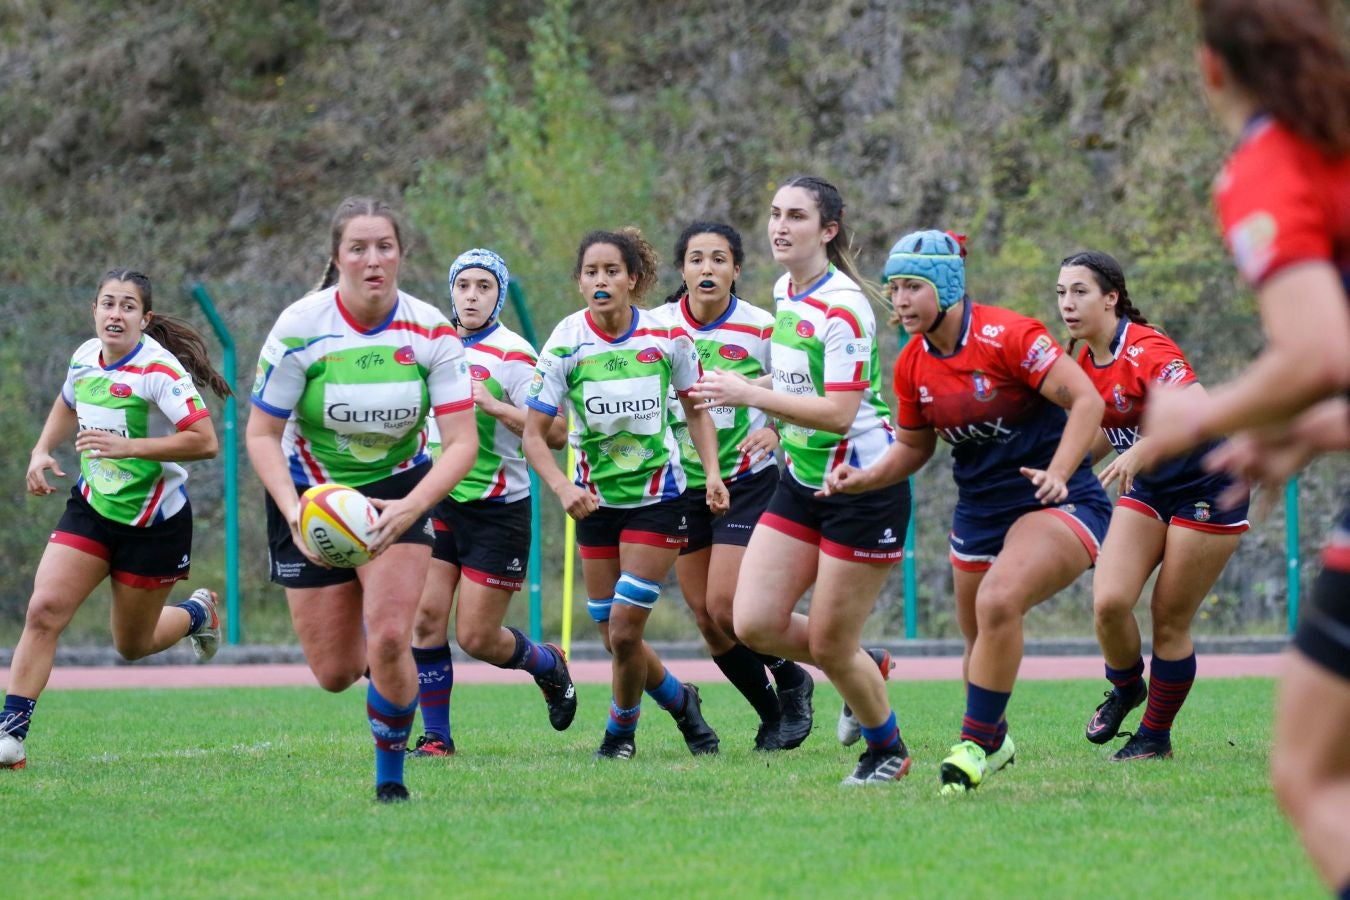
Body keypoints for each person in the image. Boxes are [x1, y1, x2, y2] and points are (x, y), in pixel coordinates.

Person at [1136, 1, 1350, 892]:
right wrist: (1315, 431)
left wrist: (1200, 414)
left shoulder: (1270, 164)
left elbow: (1320, 352)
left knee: (1311, 774)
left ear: (1212, 67)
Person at [821, 229, 1112, 794]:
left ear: (947, 286)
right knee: (979, 635)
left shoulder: (1010, 335)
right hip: (979, 511)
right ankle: (994, 740)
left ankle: (974, 745)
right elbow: (913, 448)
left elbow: (1087, 400)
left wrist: (1058, 470)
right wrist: (865, 477)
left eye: (913, 287)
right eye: (894, 288)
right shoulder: (912, 363)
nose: (900, 300)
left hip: (1058, 498)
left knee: (999, 600)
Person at [245, 196, 478, 802]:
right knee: (334, 671)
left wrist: (412, 508)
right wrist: (296, 512)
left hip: (399, 490)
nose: (373, 260)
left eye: (384, 247)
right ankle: (389, 679)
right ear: (337, 257)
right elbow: (262, 434)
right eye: (358, 248)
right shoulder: (300, 326)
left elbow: (462, 444)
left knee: (392, 636)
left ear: (401, 253)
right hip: (311, 492)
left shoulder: (431, 330)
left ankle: (390, 782)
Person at [690, 176, 911, 784]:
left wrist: (748, 394)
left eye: (796, 216)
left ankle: (887, 750)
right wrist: (751, 392)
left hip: (861, 484)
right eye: (775, 214)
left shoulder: (844, 306)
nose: (780, 227)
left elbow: (839, 412)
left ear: (828, 230)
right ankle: (864, 665)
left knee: (833, 644)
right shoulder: (786, 291)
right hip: (802, 480)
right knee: (753, 622)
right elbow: (798, 384)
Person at [0, 269, 229, 771]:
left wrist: (131, 448)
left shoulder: (159, 370)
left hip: (155, 524)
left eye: (128, 306)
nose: (116, 314)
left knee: (132, 645)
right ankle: (10, 735)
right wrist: (41, 450)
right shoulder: (85, 356)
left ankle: (197, 614)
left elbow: (205, 441)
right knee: (44, 610)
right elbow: (68, 401)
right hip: (93, 508)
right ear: (95, 310)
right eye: (108, 303)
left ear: (144, 319)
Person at [523, 227, 727, 760]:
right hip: (594, 506)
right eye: (591, 272)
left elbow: (696, 410)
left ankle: (620, 734)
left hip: (659, 501)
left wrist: (711, 472)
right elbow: (533, 435)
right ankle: (681, 700)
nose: (601, 280)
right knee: (615, 637)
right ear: (579, 282)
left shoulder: (666, 336)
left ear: (632, 279)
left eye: (612, 271)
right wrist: (563, 487)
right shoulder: (566, 341)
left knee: (624, 628)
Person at [1056, 251, 1249, 761]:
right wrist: (1058, 469)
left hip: (1208, 486)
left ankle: (1154, 737)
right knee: (1109, 603)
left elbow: (1200, 410)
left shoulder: (1146, 347)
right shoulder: (1085, 361)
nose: (1067, 303)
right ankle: (1126, 688)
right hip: (1150, 487)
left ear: (1111, 298)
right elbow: (1109, 428)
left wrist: (1144, 447)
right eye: (1061, 293)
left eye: (1080, 291)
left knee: (1168, 619)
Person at [406, 248, 574, 758]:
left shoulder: (513, 354)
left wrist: (496, 405)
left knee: (477, 638)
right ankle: (437, 737)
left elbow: (557, 433)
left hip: (498, 510)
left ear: (499, 295)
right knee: (425, 619)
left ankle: (548, 665)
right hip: (440, 502)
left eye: (484, 286)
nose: (472, 296)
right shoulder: (431, 345)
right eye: (464, 286)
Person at [658, 220, 814, 752]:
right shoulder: (656, 329)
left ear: (737, 270)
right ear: (682, 270)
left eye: (719, 259)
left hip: (747, 481)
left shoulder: (762, 327)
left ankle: (793, 678)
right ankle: (771, 715)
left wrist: (776, 431)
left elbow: (802, 387)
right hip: (683, 485)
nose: (708, 268)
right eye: (696, 259)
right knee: (707, 619)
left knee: (726, 605)